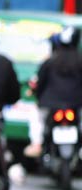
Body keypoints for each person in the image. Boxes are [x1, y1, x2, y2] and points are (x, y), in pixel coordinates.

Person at [27, 26, 82, 156]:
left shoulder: (50, 61)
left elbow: (40, 82)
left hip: (50, 103)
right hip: (76, 104)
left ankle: (36, 144)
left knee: (36, 116)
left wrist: (38, 96)